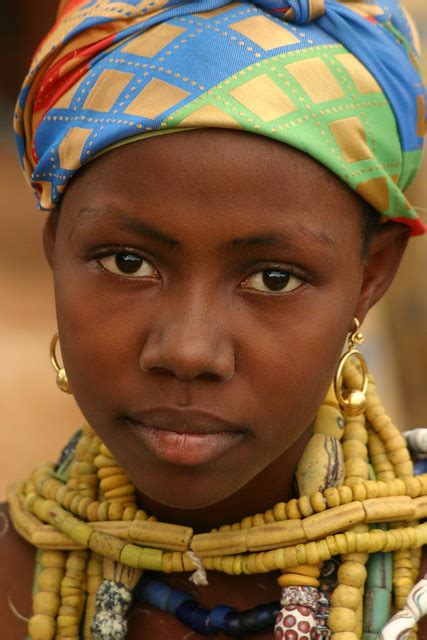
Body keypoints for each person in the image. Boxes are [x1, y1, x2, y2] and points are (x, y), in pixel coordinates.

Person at [1, 0, 426, 638]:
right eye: (126, 261)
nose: (190, 351)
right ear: (56, 244)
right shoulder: (13, 575)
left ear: (372, 276)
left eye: (273, 279)